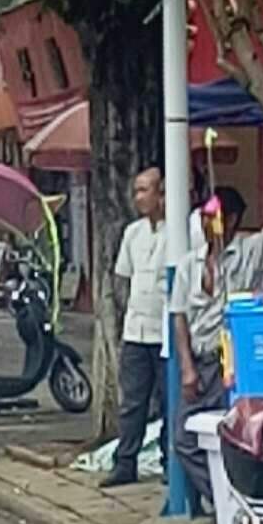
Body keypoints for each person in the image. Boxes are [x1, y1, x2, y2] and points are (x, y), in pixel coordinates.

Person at [171, 183, 263, 507]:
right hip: (201, 362)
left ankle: (241, 505)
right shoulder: (188, 265)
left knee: (236, 438)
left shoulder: (249, 251)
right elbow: (179, 318)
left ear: (234, 219)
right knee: (184, 439)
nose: (210, 224)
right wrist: (186, 368)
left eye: (217, 217)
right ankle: (226, 500)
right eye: (206, 217)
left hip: (237, 363)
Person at [103, 165, 167, 488]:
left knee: (169, 402)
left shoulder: (179, 231)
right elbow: (123, 278)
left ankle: (172, 465)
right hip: (136, 330)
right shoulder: (133, 233)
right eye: (136, 191)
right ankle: (125, 463)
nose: (138, 197)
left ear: (162, 193)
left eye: (145, 190)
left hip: (166, 332)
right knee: (132, 402)